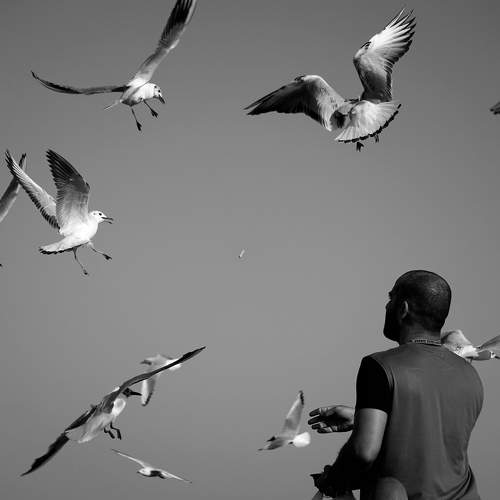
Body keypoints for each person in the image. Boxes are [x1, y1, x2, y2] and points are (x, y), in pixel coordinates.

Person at [309, 270, 483, 500]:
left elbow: (364, 451)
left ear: (403, 309)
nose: (386, 306)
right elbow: (432, 438)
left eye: (391, 298)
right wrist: (360, 417)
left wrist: (332, 481)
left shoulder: (379, 366)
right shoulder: (470, 375)